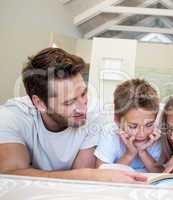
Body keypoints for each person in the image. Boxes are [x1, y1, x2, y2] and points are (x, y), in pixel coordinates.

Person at [0, 47, 146, 183]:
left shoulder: (96, 113)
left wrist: (85, 175)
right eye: (69, 103)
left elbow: (77, 182)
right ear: (39, 103)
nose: (83, 108)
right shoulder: (12, 116)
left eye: (84, 94)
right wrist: (90, 175)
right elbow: (10, 175)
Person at [94, 79, 162, 172]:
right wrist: (130, 154)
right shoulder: (110, 133)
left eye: (148, 125)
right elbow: (101, 174)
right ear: (117, 120)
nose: (142, 134)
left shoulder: (155, 135)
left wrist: (142, 152)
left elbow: (161, 174)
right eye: (133, 126)